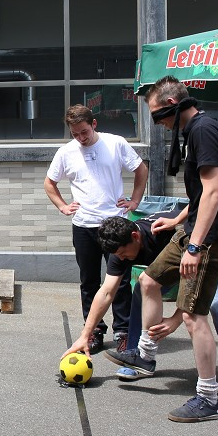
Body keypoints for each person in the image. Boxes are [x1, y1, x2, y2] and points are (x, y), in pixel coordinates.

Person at [104, 76, 218, 423]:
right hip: (192, 227)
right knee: (149, 282)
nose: (158, 123)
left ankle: (208, 397)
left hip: (211, 237)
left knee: (192, 316)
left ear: (174, 104)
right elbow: (201, 194)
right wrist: (178, 219)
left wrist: (195, 246)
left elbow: (215, 191)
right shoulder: (198, 129)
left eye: (157, 115)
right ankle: (145, 356)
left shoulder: (202, 130)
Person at [62, 211, 218, 405]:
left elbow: (197, 286)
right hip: (188, 258)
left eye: (123, 253)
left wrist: (175, 320)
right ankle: (140, 357)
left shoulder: (165, 232)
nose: (121, 259)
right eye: (117, 255)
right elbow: (106, 292)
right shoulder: (120, 247)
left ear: (135, 237)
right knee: (144, 287)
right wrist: (85, 335)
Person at [45, 105, 148, 354]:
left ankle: (123, 331)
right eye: (75, 134)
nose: (81, 138)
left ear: (94, 124)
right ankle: (94, 332)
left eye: (84, 132)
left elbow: (141, 169)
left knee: (120, 281)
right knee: (89, 281)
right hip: (84, 225)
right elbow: (49, 182)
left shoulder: (116, 143)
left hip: (114, 224)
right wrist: (62, 206)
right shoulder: (66, 152)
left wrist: (134, 201)